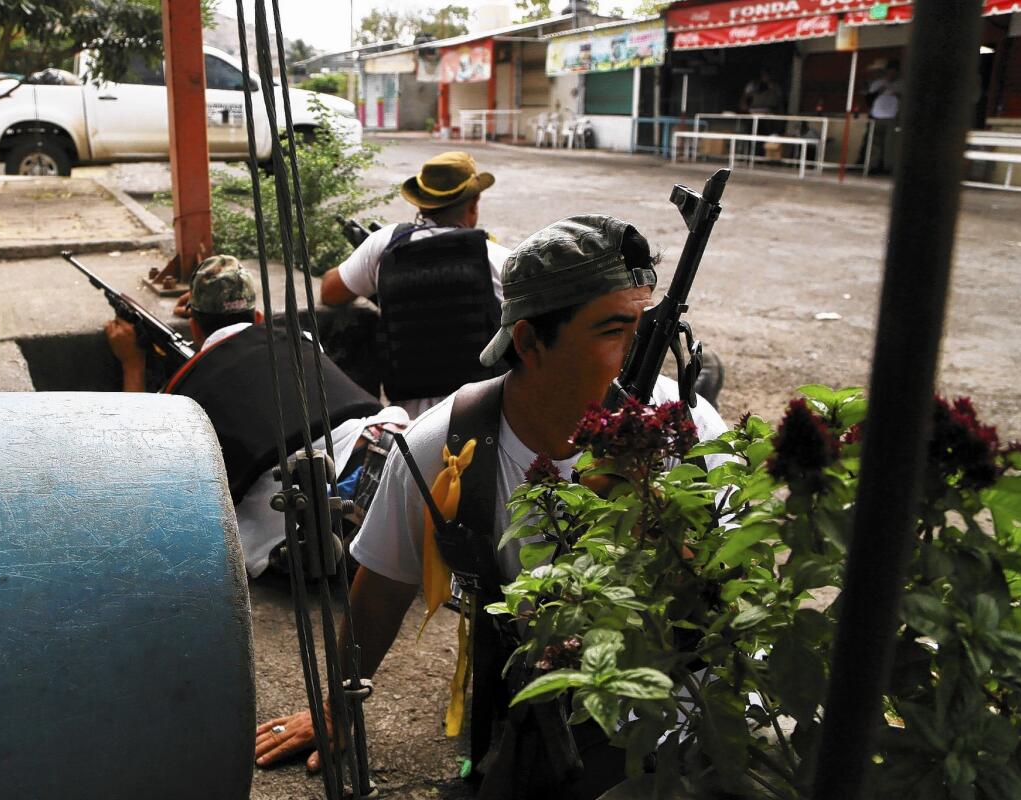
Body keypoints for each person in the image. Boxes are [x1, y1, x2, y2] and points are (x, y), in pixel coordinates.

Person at [256, 216, 730, 798]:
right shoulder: (449, 442)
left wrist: (648, 502)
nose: (636, 356)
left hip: (686, 712)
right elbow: (381, 584)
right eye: (613, 330)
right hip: (545, 718)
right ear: (530, 341)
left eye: (643, 328)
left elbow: (729, 595)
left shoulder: (690, 429)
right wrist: (335, 708)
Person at [105, 255, 402, 577]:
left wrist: (131, 363)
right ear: (258, 315)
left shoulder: (181, 397)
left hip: (291, 528)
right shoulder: (300, 339)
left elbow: (137, 461)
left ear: (193, 323)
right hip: (387, 446)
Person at [320, 151, 513, 419]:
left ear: (422, 204)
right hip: (486, 415)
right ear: (474, 203)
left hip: (408, 423)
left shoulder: (386, 244)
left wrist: (382, 280)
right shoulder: (497, 257)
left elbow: (330, 292)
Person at [863, 58, 903, 175]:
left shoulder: (901, 84)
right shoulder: (878, 83)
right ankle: (873, 166)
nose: (891, 73)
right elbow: (869, 99)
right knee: (874, 143)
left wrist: (898, 95)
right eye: (889, 71)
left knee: (889, 144)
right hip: (877, 116)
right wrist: (880, 90)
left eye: (894, 71)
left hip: (892, 117)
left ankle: (887, 167)